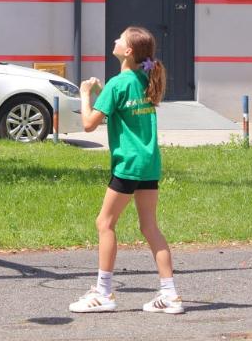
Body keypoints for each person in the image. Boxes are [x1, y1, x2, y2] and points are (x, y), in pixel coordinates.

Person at [69, 26, 183, 316]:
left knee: (104, 223)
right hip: (149, 164)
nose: (115, 41)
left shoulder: (117, 84)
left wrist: (85, 94)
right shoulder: (146, 78)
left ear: (128, 51)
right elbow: (125, 107)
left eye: (120, 39)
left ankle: (103, 293)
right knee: (150, 227)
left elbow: (88, 124)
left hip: (128, 165)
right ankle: (170, 294)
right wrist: (102, 93)